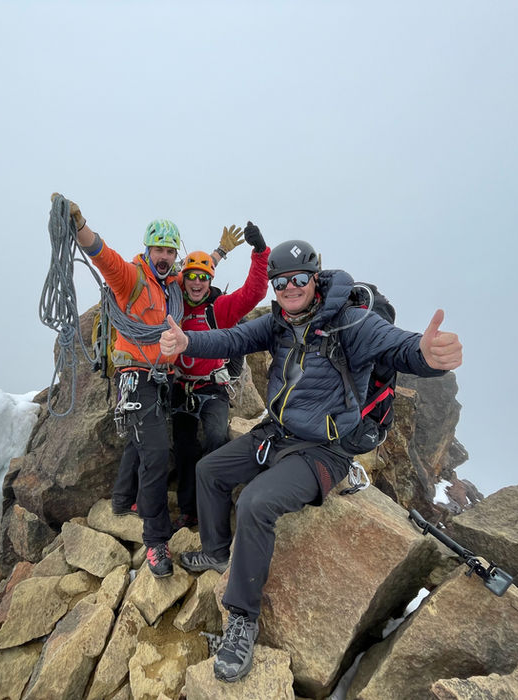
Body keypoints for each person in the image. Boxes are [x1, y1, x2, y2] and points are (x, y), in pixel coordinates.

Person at [159, 239, 463, 682]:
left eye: (300, 280)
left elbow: (399, 347)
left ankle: (242, 618)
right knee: (209, 470)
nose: (290, 289)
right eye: (281, 282)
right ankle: (217, 553)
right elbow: (234, 336)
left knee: (256, 504)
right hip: (277, 434)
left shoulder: (351, 324)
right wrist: (188, 339)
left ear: (315, 280)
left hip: (324, 449)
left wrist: (428, 356)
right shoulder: (279, 323)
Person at [70, 200, 182, 578]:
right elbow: (102, 255)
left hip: (157, 378)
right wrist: (80, 224)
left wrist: (221, 252)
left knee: (138, 442)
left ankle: (121, 500)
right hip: (136, 377)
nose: (164, 256)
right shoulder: (132, 278)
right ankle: (155, 540)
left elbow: (204, 271)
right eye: (159, 249)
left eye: (170, 250)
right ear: (147, 249)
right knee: (156, 453)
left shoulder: (171, 286)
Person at [171, 222, 270, 530]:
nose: (197, 282)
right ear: (183, 279)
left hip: (212, 387)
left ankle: (213, 504)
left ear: (209, 280)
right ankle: (189, 510)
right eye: (192, 277)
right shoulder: (173, 302)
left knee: (215, 439)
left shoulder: (221, 308)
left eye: (203, 277)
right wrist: (220, 251)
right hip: (180, 386)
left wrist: (261, 252)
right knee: (184, 447)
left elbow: (254, 292)